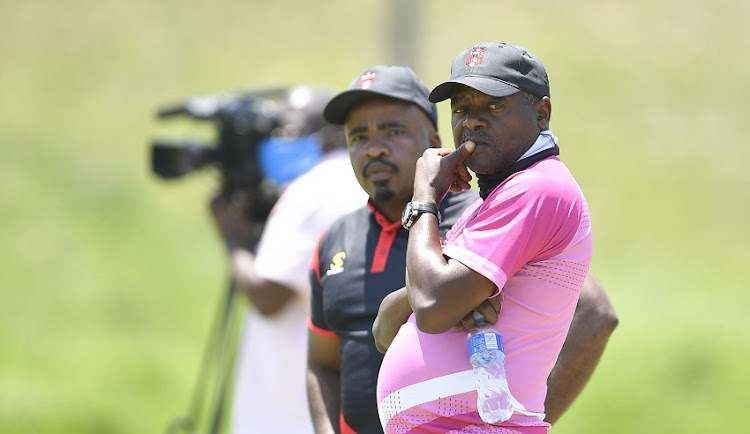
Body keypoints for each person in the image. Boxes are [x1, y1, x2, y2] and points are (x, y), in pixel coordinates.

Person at [308, 65, 617, 434]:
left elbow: (593, 311)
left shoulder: (482, 212)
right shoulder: (335, 240)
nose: (374, 148)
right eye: (358, 136)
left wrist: (505, 420)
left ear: (434, 139)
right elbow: (326, 360)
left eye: (393, 131)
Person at [211, 85, 367, 434]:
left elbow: (268, 296)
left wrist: (233, 237)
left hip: (289, 412)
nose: (277, 141)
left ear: (326, 137)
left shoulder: (313, 187)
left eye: (287, 131)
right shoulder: (356, 183)